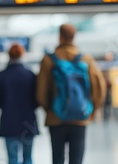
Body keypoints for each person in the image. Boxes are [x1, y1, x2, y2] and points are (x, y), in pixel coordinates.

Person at [37, 23, 106, 164]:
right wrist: (90, 110)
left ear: (60, 37)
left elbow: (41, 92)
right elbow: (100, 88)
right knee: (76, 160)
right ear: (74, 37)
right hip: (79, 118)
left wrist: (50, 109)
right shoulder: (86, 59)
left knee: (57, 159)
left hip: (56, 118)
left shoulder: (48, 60)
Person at [0, 43, 39, 164]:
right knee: (28, 158)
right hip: (28, 121)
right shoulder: (30, 75)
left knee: (12, 159)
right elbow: (37, 99)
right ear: (22, 55)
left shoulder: (0, 76)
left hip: (9, 121)